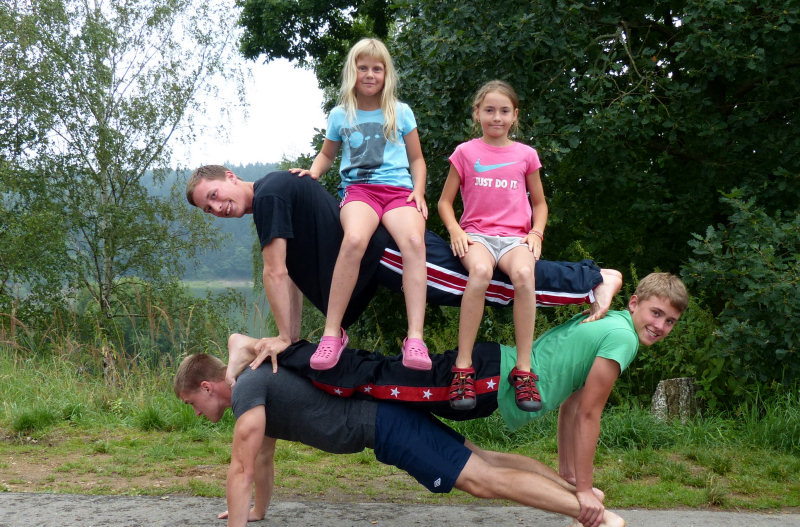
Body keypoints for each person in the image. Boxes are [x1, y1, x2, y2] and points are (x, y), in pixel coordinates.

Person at [250, 272, 689, 527]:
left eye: (670, 321)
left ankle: (576, 504)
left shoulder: (608, 321)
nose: (661, 326)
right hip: (487, 379)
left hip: (491, 373)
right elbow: (590, 415)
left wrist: (574, 480)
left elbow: (573, 408)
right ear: (635, 303)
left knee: (379, 376)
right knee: (376, 377)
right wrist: (585, 489)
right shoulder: (621, 338)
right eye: (656, 313)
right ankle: (273, 349)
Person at [174, 343, 626, 527]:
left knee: (481, 480)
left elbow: (241, 468)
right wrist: (257, 510)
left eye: (193, 403)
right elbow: (263, 459)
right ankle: (582, 496)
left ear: (209, 387)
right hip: (387, 411)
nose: (197, 413)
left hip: (385, 427)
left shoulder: (246, 393)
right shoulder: (257, 383)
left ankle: (596, 518)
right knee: (483, 459)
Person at [185, 167, 622, 374]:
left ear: (230, 175)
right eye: (209, 208)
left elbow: (275, 273)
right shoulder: (274, 192)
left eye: (215, 195)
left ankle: (595, 280)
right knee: (482, 282)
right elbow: (293, 276)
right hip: (375, 262)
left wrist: (285, 337)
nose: (218, 208)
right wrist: (291, 335)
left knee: (486, 284)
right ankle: (589, 280)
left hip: (387, 253)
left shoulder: (269, 195)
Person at [289, 38, 430, 371]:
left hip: (398, 191)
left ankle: (415, 338)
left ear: (386, 74)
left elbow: (417, 159)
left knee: (414, 241)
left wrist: (419, 191)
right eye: (362, 67)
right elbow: (327, 154)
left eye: (376, 69)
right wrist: (313, 172)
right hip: (360, 191)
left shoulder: (400, 112)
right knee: (353, 239)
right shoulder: (341, 114)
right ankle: (331, 333)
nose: (369, 74)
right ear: (352, 72)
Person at [438, 80, 548, 412]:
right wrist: (455, 230)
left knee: (525, 276)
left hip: (515, 239)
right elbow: (444, 202)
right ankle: (463, 368)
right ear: (477, 113)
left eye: (504, 111)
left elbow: (540, 204)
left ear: (515, 115)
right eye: (489, 110)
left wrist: (536, 233)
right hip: (478, 237)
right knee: (481, 273)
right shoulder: (465, 153)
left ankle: (524, 371)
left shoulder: (526, 155)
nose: (496, 117)